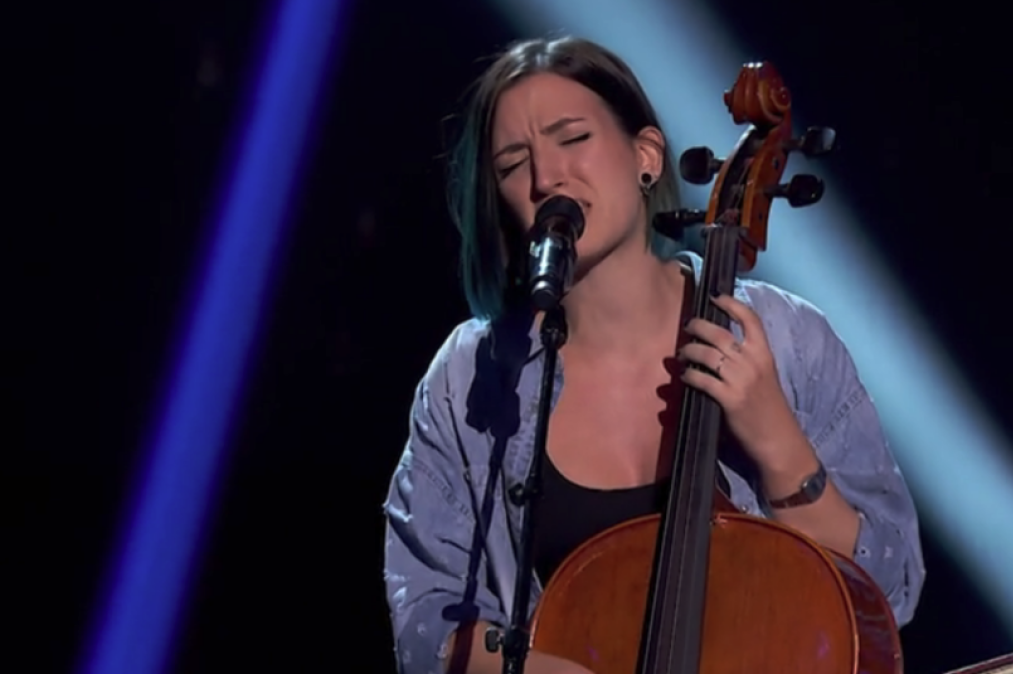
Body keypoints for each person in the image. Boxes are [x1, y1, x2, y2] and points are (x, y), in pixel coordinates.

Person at [382, 35, 926, 674]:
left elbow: (892, 588)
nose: (545, 177)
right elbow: (425, 623)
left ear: (645, 157)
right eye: (512, 164)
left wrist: (778, 444)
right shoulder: (473, 375)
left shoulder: (788, 336)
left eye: (572, 138)